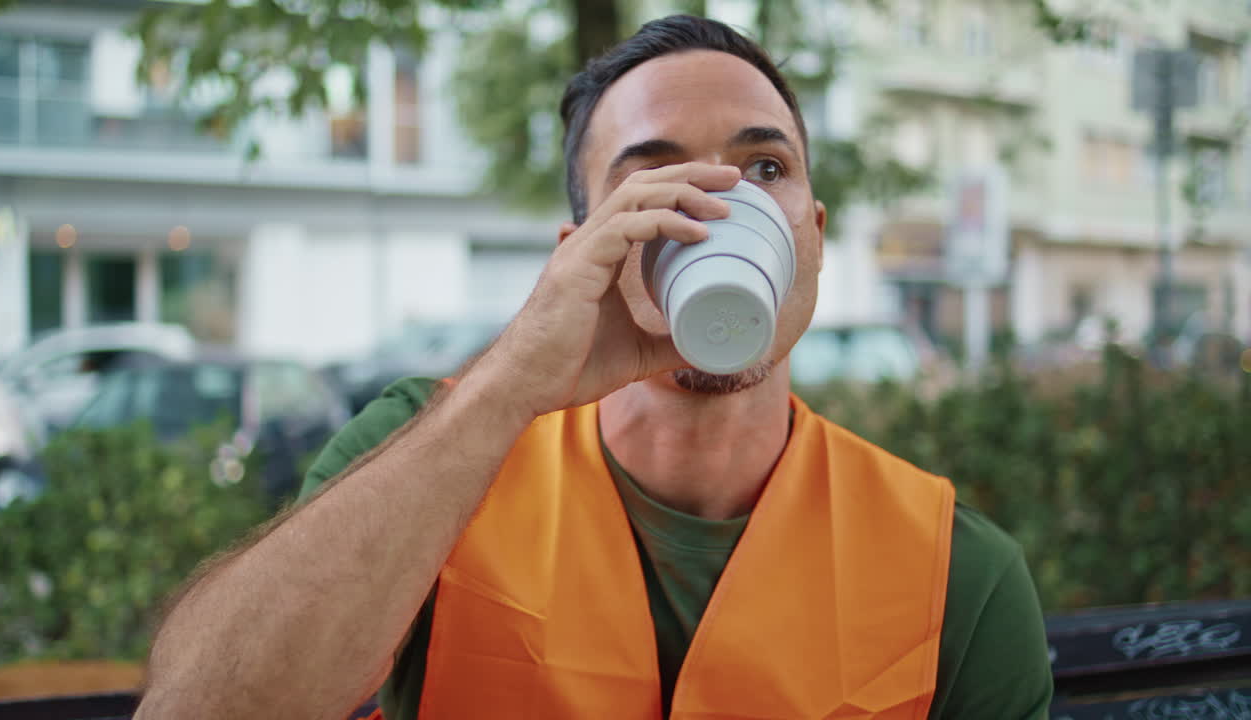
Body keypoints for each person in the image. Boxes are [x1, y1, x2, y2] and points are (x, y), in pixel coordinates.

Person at [135, 15, 1052, 720]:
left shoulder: (953, 573)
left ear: (811, 241)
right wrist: (510, 385)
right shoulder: (428, 453)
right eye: (653, 177)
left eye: (764, 168)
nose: (710, 209)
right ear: (586, 248)